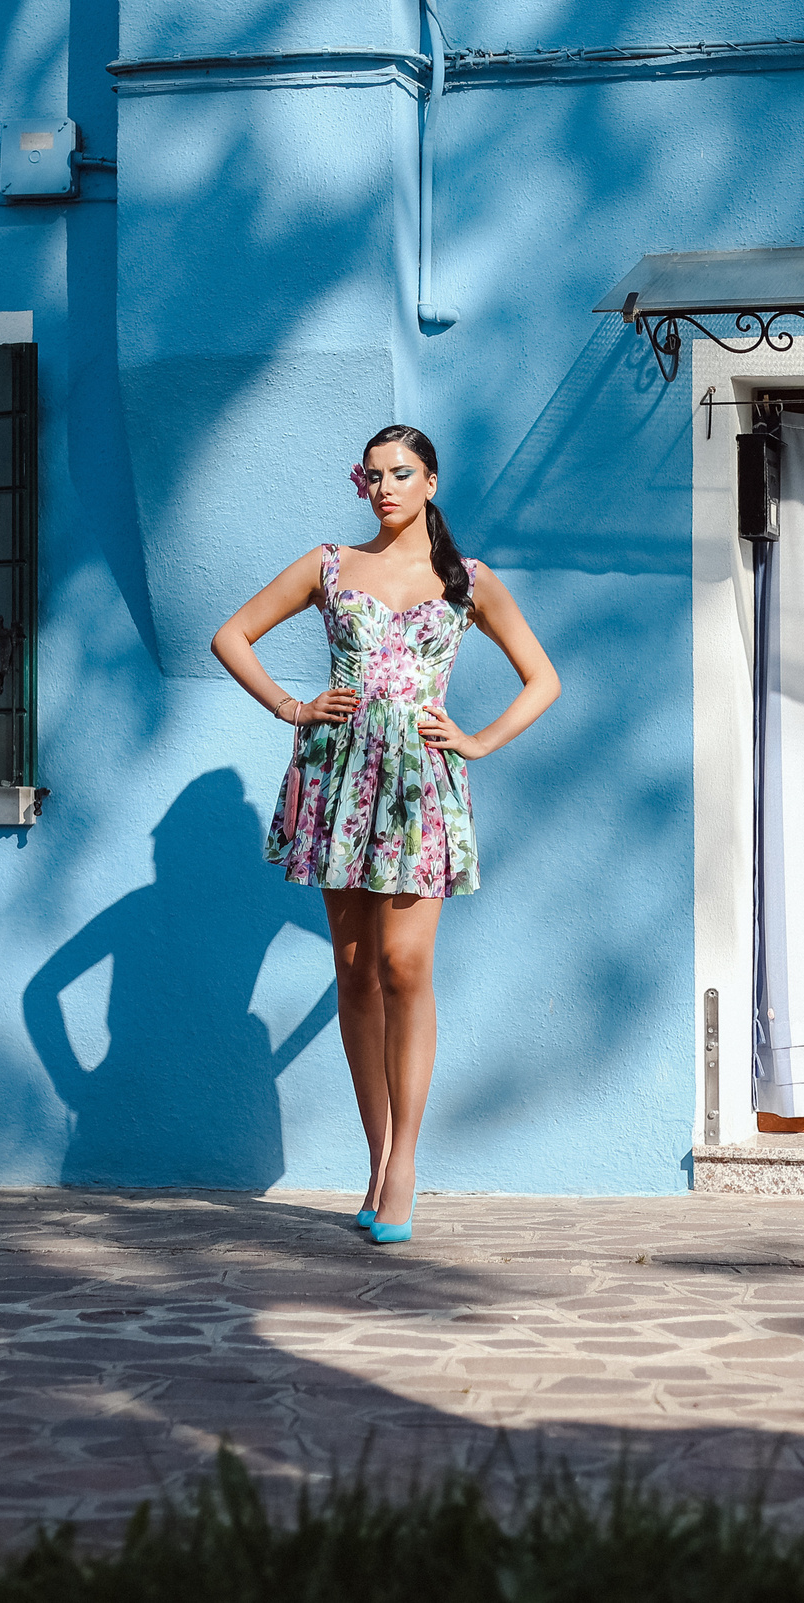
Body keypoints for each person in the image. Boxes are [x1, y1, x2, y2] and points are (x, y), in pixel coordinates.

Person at [210, 425, 560, 1244]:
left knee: (406, 965)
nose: (386, 486)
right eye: (372, 475)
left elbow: (542, 677)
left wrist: (476, 740)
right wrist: (293, 707)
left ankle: (405, 1161)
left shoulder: (468, 581)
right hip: (336, 778)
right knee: (356, 968)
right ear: (359, 485)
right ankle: (376, 1156)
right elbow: (231, 635)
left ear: (431, 481)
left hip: (417, 786)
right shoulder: (329, 564)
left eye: (402, 472)